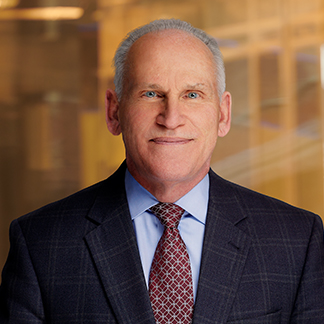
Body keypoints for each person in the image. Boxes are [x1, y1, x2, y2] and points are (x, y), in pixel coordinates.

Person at [0, 18, 323, 324]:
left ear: (223, 114)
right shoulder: (42, 242)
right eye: (151, 94)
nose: (171, 118)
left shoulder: (296, 240)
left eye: (192, 95)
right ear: (114, 111)